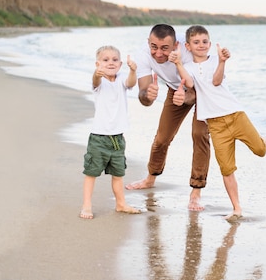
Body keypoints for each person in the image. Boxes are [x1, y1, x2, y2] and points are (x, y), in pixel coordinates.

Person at [169, 25, 266, 222]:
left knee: (260, 151)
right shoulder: (188, 67)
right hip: (215, 125)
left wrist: (223, 61)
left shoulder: (216, 60)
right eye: (196, 42)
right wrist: (177, 63)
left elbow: (216, 81)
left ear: (210, 43)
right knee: (226, 168)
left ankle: (263, 141)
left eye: (205, 41)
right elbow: (190, 84)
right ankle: (236, 208)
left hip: (235, 116)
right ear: (188, 46)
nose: (201, 45)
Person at [125, 24, 211, 211]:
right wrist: (148, 95)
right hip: (176, 88)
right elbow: (143, 97)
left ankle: (196, 192)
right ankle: (150, 178)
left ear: (176, 44)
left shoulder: (189, 51)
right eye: (153, 47)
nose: (158, 53)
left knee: (199, 134)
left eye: (165, 48)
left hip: (205, 90)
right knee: (162, 138)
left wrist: (187, 97)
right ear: (148, 43)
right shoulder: (143, 54)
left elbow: (200, 88)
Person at [80, 45, 141, 219]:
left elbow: (130, 83)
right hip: (99, 137)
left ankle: (121, 203)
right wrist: (97, 74)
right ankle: (86, 205)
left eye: (114, 60)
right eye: (105, 60)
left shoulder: (122, 78)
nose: (110, 63)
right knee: (91, 173)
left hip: (118, 137)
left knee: (118, 174)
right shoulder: (99, 82)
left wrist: (133, 70)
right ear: (98, 63)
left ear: (120, 63)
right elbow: (95, 82)